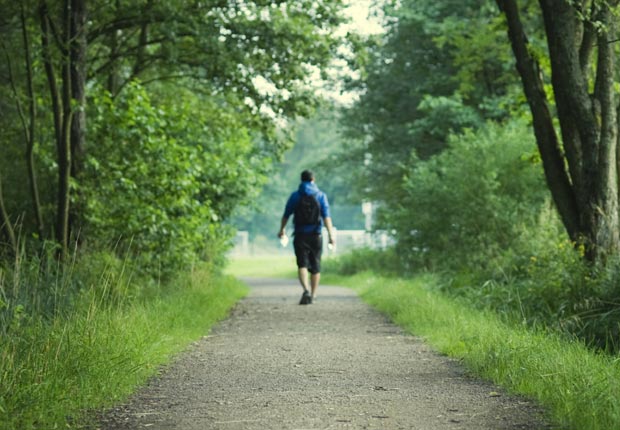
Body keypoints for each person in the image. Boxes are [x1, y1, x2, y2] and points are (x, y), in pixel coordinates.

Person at [278, 170, 335, 305]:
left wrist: (282, 230)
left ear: (301, 180)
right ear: (313, 179)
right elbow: (326, 217)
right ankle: (314, 295)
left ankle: (306, 290)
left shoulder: (295, 196)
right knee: (315, 265)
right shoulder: (321, 196)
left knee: (302, 263)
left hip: (300, 235)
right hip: (316, 234)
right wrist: (331, 236)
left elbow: (286, 215)